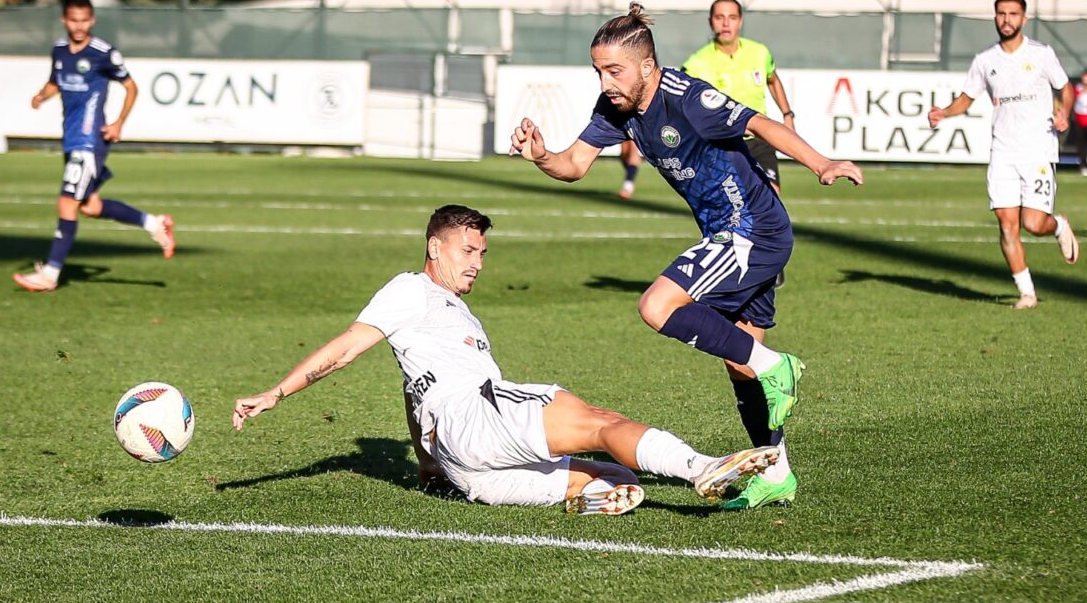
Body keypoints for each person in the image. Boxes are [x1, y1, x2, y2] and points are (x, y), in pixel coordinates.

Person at [509, 3, 863, 510]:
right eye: (599, 71)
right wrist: (542, 155)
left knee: (657, 306)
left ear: (647, 66)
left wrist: (821, 162)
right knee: (740, 363)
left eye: (615, 71)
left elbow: (760, 123)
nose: (606, 82)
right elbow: (574, 164)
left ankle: (779, 366)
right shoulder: (615, 107)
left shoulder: (687, 97)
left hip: (751, 229)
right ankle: (777, 472)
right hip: (733, 231)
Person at [231, 205, 778, 515]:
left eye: (482, 254)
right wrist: (277, 392)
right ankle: (701, 467)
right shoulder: (411, 289)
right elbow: (347, 347)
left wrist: (428, 464)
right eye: (467, 251)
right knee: (598, 421)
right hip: (474, 417)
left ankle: (588, 496)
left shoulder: (451, 315)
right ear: (435, 248)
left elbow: (414, 388)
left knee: (614, 475)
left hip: (466, 467)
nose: (477, 263)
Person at [13, 0, 174, 293]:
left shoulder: (103, 53)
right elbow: (56, 82)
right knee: (90, 205)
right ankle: (155, 224)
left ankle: (50, 274)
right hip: (71, 139)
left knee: (66, 203)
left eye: (85, 20)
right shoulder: (59, 51)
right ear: (64, 20)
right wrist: (41, 96)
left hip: (89, 141)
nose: (79, 26)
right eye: (74, 20)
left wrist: (118, 123)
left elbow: (131, 87)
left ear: (92, 20)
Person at [928, 0, 1080, 310]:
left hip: (1038, 150)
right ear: (995, 17)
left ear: (1024, 19)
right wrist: (944, 112)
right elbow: (966, 98)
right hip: (1002, 153)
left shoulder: (1041, 54)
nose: (1006, 19)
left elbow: (1065, 87)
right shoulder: (985, 61)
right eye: (1001, 13)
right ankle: (1027, 293)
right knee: (1007, 225)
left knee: (1033, 224)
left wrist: (1065, 111)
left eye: (1013, 14)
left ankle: (1059, 225)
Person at [682, 0, 796, 195]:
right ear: (710, 22)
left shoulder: (760, 53)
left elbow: (773, 80)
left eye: (732, 17)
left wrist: (787, 115)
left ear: (740, 21)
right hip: (721, 145)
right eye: (719, 17)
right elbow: (681, 104)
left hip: (759, 137)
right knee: (732, 204)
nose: (726, 23)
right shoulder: (695, 64)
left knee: (771, 195)